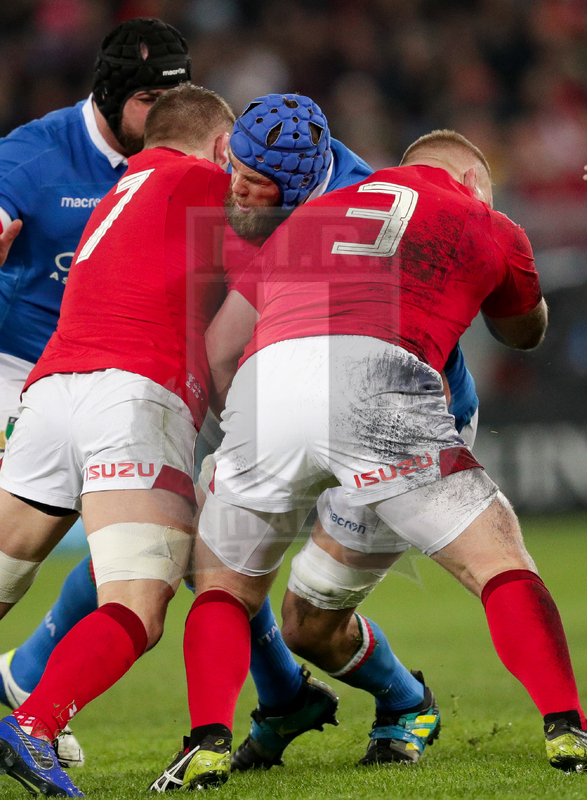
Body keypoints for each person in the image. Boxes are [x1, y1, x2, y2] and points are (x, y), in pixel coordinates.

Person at [152, 129, 587, 792]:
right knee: (497, 562)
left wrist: (237, 437)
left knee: (225, 587)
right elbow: (522, 332)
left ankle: (206, 741)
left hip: (268, 384)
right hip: (379, 384)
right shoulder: (484, 217)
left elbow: (219, 344)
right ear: (471, 181)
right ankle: (566, 725)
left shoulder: (311, 216)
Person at [0, 82, 236, 798]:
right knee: (138, 601)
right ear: (221, 146)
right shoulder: (204, 182)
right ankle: (34, 725)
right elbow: (298, 254)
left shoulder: (118, 189)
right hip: (134, 397)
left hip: (51, 391)